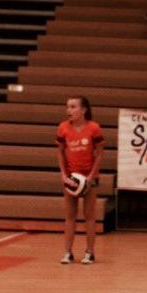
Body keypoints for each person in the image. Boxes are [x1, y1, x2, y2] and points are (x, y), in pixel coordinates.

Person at [55, 94, 104, 264]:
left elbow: (99, 154)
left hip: (89, 178)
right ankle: (68, 252)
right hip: (70, 178)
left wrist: (91, 177)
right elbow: (60, 152)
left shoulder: (94, 128)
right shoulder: (62, 128)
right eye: (68, 107)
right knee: (70, 216)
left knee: (89, 216)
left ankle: (90, 252)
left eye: (73, 107)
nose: (69, 110)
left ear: (84, 110)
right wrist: (63, 175)